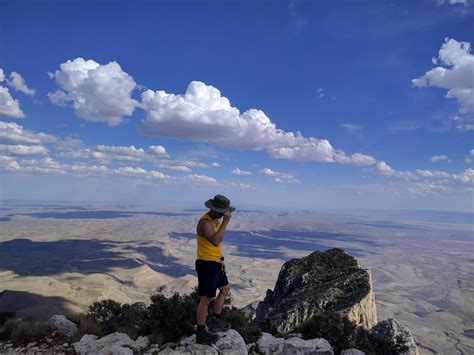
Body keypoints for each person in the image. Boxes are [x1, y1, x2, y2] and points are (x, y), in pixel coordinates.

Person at [194, 194, 235, 345]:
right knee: (207, 298)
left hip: (215, 262)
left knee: (225, 289)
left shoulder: (214, 220)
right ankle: (200, 333)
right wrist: (226, 222)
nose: (224, 215)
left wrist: (221, 259)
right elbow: (216, 241)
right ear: (215, 210)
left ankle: (216, 321)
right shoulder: (205, 222)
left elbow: (215, 247)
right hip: (206, 264)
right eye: (222, 212)